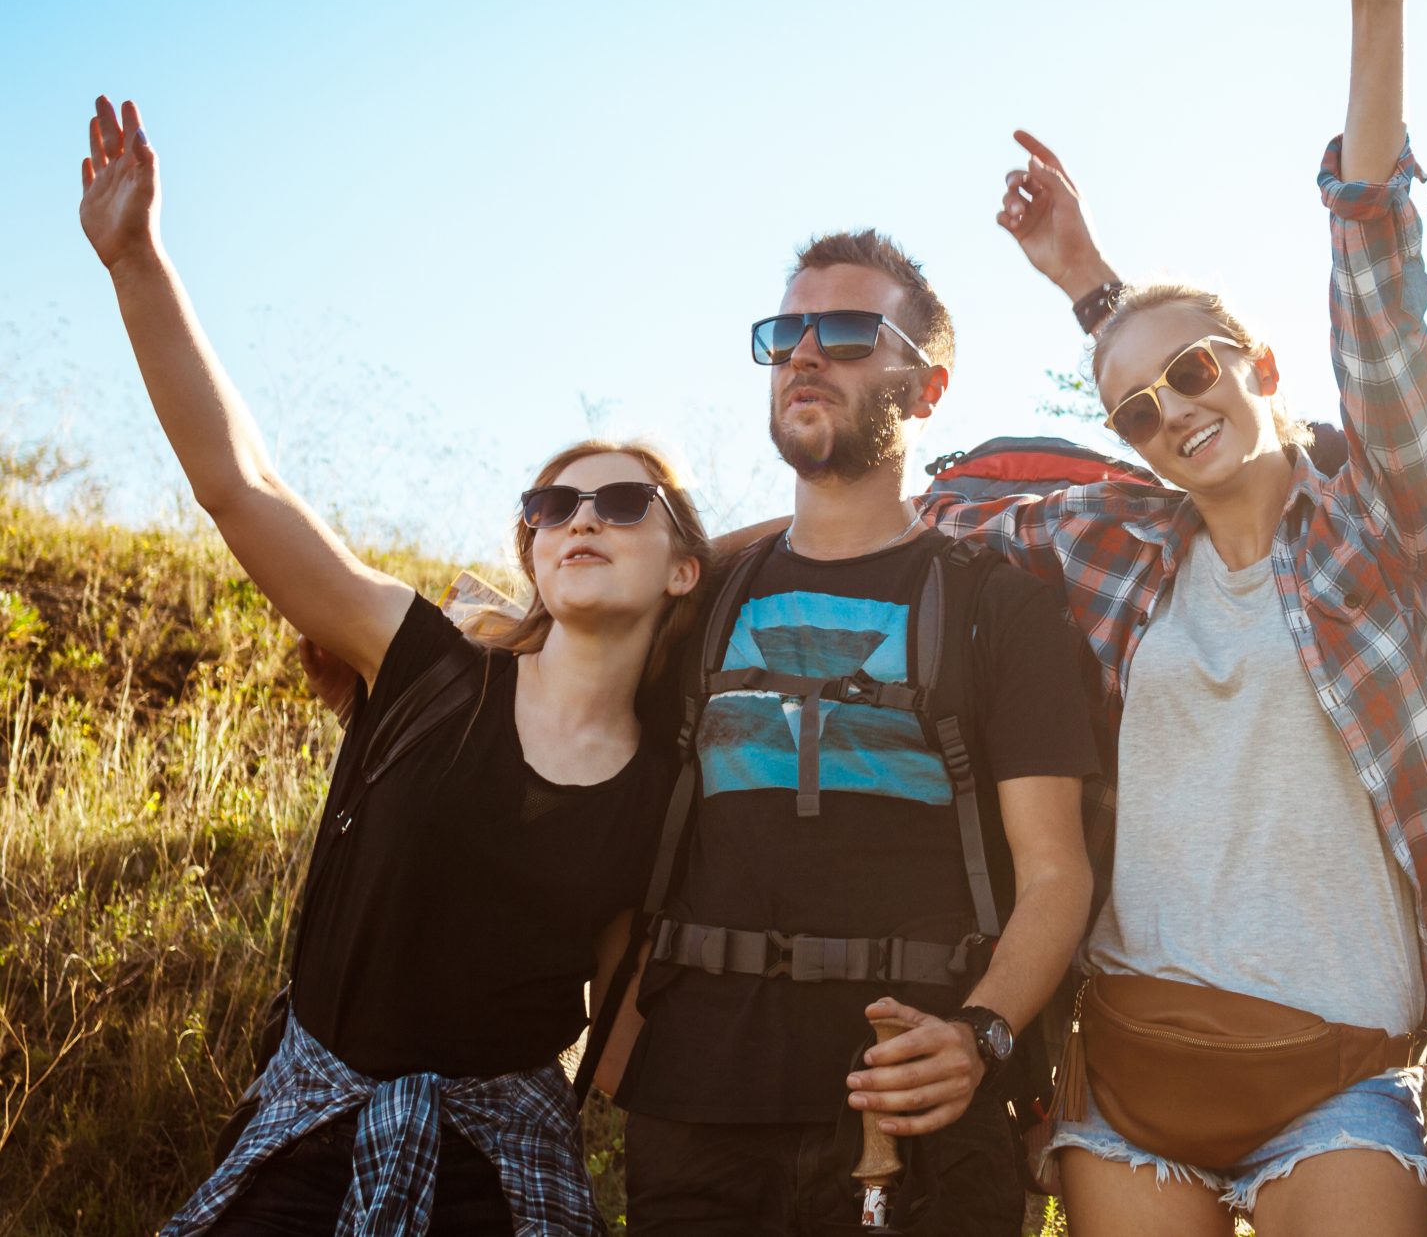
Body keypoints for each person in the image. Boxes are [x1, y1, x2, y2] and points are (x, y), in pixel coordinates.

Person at [919, 0, 1427, 1236]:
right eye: (1140, 412)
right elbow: (893, 517)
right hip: (1135, 1073)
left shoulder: (1372, 525)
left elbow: (1380, 282)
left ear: (1259, 360)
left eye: (1198, 378)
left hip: (1339, 1062)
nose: (1173, 414)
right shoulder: (1116, 547)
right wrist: (670, 550)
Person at [78, 94, 708, 1237]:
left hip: (504, 1177)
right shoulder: (425, 668)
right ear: (528, 543)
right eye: (552, 503)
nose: (582, 518)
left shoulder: (666, 787)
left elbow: (627, 1041)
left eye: (624, 503)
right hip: (307, 1144)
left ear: (681, 567)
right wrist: (136, 262)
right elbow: (241, 487)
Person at [606, 223, 1101, 1237]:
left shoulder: (996, 610)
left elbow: (1057, 874)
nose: (804, 351)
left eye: (845, 329)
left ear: (927, 389)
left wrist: (982, 1036)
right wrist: (622, 1056)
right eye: (786, 331)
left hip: (924, 1104)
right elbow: (614, 837)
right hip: (694, 1105)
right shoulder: (698, 605)